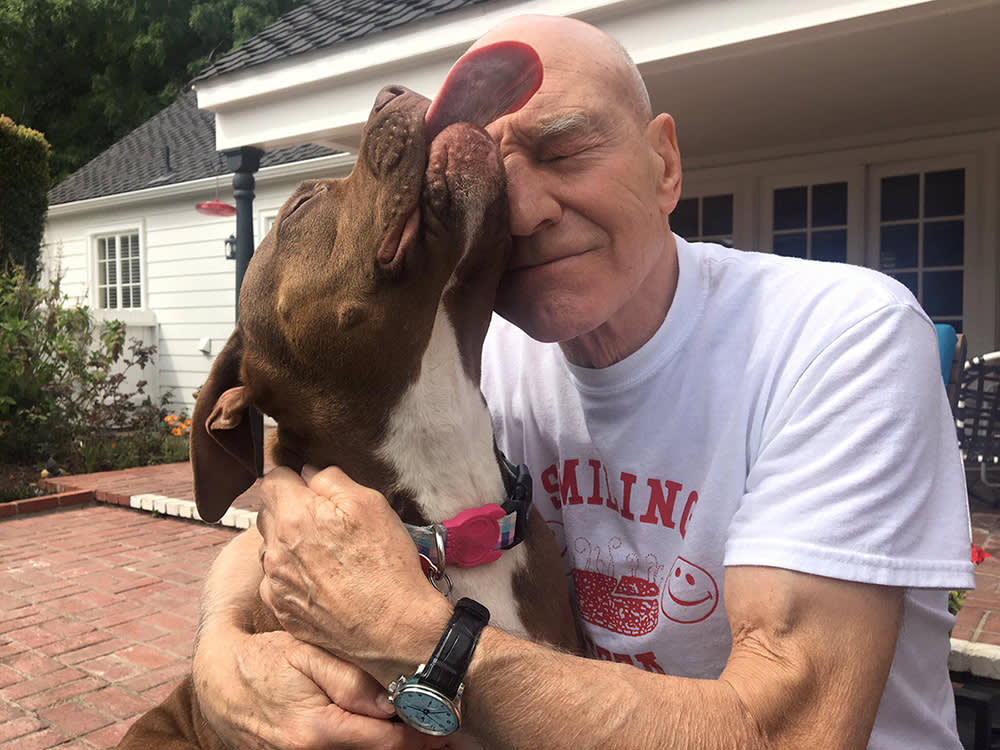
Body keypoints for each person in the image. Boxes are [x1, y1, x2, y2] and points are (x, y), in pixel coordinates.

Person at [191, 14, 974, 749]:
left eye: (564, 153)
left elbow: (786, 732)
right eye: (496, 183)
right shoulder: (483, 362)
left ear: (665, 165)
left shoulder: (838, 336)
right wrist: (219, 656)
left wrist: (419, 641)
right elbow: (299, 522)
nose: (526, 210)